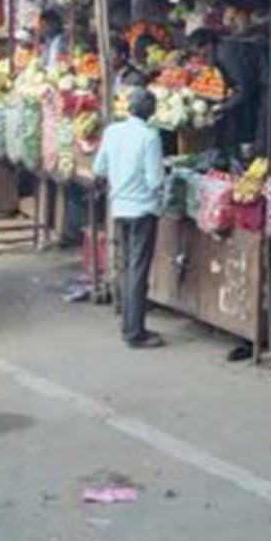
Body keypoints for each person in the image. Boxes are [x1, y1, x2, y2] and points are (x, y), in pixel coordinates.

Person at [93, 87, 166, 349]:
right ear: (150, 110)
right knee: (138, 270)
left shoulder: (113, 132)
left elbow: (98, 168)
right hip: (143, 210)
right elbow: (155, 180)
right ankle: (135, 332)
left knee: (126, 266)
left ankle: (127, 321)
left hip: (120, 208)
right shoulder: (150, 137)